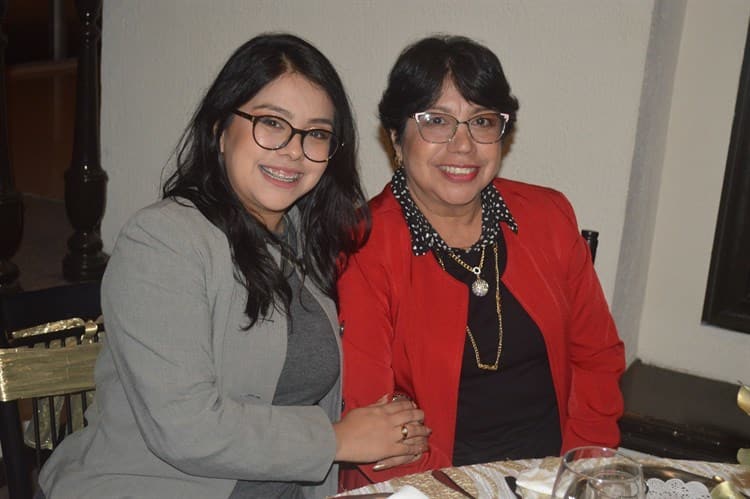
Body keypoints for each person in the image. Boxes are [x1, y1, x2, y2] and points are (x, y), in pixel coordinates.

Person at [37, 33, 429, 499]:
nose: (292, 150)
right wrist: (338, 438)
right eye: (271, 123)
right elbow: (185, 427)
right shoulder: (163, 241)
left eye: (316, 134)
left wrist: (392, 427)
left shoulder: (309, 236)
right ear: (220, 129)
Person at [338, 35, 625, 490]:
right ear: (395, 135)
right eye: (436, 121)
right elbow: (376, 426)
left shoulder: (549, 216)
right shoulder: (361, 245)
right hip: (425, 486)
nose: (463, 145)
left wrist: (574, 471)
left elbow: (597, 359)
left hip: (551, 477)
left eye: (482, 122)